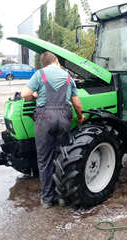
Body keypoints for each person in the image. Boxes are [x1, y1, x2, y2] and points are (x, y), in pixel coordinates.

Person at [21, 51, 86, 208]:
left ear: (44, 63)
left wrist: (35, 97)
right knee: (62, 157)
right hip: (64, 119)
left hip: (44, 119)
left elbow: (25, 94)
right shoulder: (68, 77)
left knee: (44, 159)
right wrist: (79, 117)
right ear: (56, 61)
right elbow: (77, 104)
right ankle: (62, 197)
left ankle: (47, 200)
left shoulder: (40, 74)